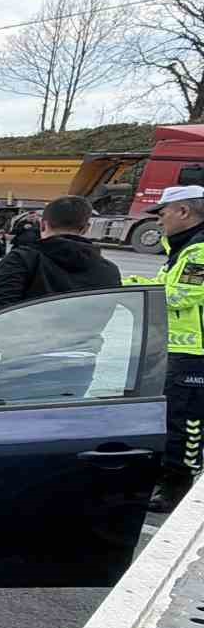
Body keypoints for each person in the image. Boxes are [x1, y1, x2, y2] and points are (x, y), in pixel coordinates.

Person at [127, 186, 204, 512]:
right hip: (176, 348)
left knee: (185, 421)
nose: (160, 221)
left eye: (163, 213)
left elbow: (180, 296)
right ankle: (164, 476)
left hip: (195, 353)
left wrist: (133, 289)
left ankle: (177, 485)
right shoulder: (181, 249)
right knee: (168, 414)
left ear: (184, 212)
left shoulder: (199, 251)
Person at [0, 195, 119, 314]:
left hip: (24, 343)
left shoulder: (20, 260)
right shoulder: (109, 270)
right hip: (82, 344)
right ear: (86, 228)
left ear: (42, 225)